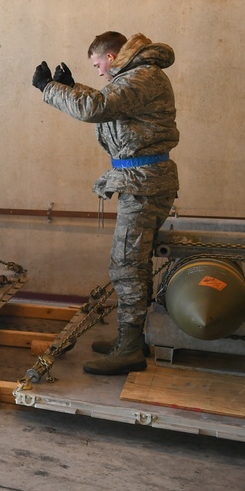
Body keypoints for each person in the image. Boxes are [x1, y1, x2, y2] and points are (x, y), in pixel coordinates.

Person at [31, 31, 179, 375]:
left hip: (144, 183)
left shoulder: (143, 76)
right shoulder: (136, 76)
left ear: (111, 57)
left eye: (98, 64)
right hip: (143, 181)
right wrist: (72, 87)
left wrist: (49, 89)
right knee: (135, 263)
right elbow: (108, 104)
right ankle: (131, 341)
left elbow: (96, 108)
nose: (98, 71)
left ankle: (129, 350)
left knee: (126, 265)